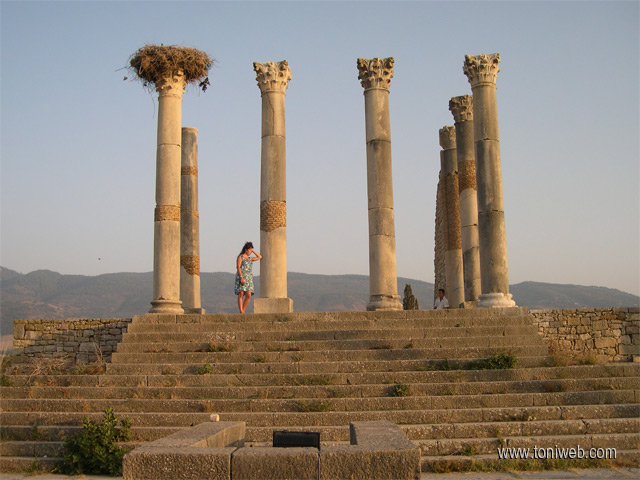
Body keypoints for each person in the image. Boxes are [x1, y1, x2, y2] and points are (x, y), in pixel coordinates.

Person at [235, 242, 262, 314]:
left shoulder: (250, 258)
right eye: (249, 250)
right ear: (246, 250)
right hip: (241, 276)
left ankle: (243, 310)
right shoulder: (240, 257)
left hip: (248, 277)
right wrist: (241, 277)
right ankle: (241, 311)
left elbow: (259, 257)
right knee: (241, 293)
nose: (250, 252)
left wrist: (253, 250)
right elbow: (238, 267)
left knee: (248, 295)